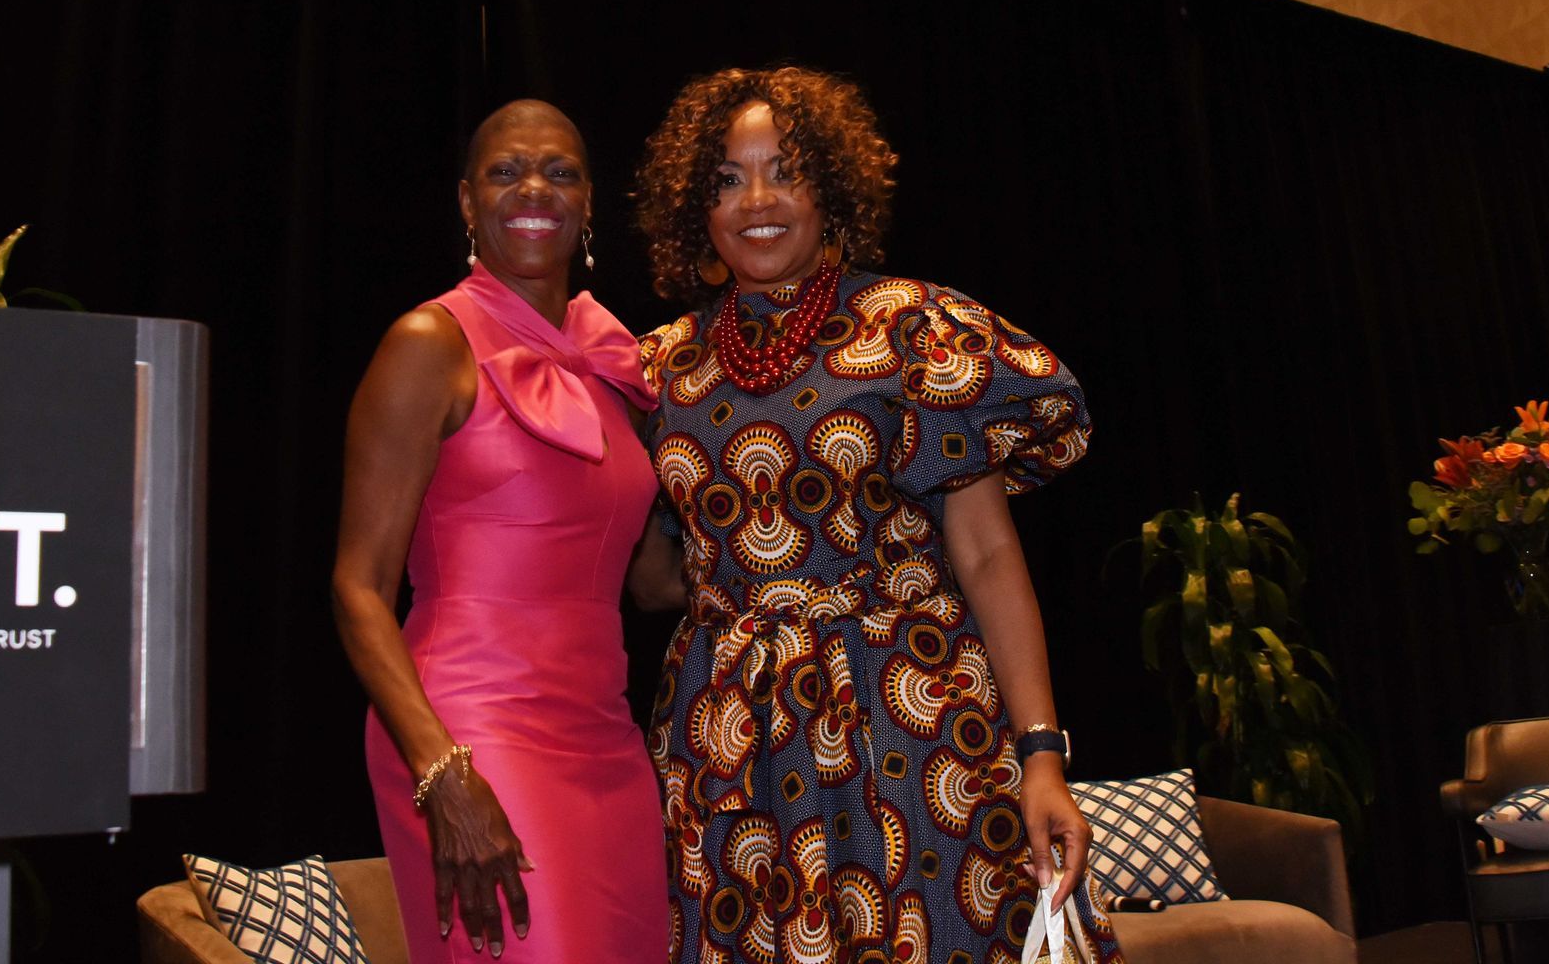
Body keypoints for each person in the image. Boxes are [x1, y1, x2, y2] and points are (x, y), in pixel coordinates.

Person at [625, 67, 1125, 963]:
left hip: (909, 716)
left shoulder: (913, 330)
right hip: (733, 747)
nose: (758, 201)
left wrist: (1042, 752)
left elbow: (986, 557)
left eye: (787, 171)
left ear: (835, 191)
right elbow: (655, 573)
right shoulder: (657, 369)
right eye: (727, 181)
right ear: (695, 210)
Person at [332, 100, 668, 963]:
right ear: (466, 201)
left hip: (606, 735)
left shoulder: (615, 363)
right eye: (505, 170)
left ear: (589, 202)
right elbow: (358, 589)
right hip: (471, 731)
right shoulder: (427, 342)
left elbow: (653, 584)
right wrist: (440, 772)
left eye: (560, 172)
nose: (534, 189)